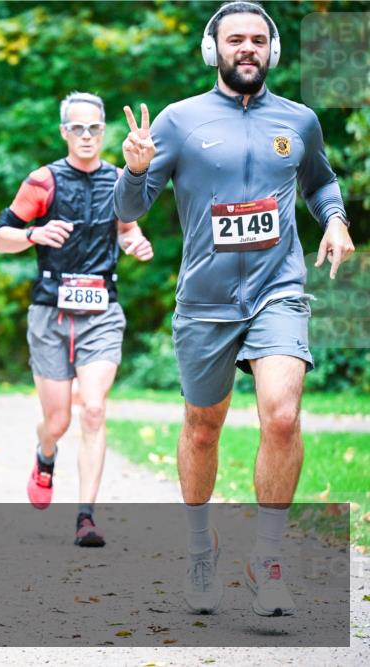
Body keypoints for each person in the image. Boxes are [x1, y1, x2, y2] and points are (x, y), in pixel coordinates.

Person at [114, 1, 354, 615]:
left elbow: (320, 181)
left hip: (278, 288)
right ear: (212, 49)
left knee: (281, 416)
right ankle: (201, 547)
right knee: (203, 428)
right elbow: (133, 207)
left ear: (271, 51)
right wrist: (135, 171)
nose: (245, 48)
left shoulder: (298, 121)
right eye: (233, 39)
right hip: (206, 299)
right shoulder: (178, 120)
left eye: (256, 40)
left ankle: (267, 559)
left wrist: (334, 219)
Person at [0, 92, 154, 546]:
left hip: (101, 311)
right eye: (77, 128)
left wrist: (134, 244)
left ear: (104, 132)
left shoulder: (119, 180)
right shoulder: (43, 181)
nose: (86, 136)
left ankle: (86, 517)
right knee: (58, 420)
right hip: (50, 311)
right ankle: (45, 455)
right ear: (64, 132)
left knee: (95, 407)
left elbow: (127, 228)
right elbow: (0, 236)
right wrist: (33, 233)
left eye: (94, 128)